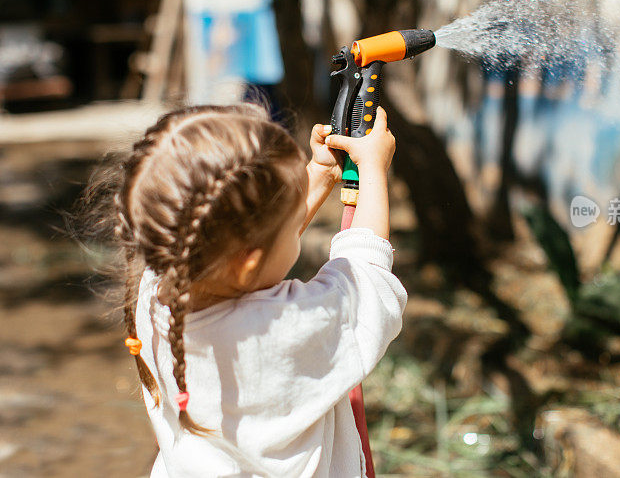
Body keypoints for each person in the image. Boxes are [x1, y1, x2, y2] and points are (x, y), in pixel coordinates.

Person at [108, 103, 405, 477]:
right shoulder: (281, 331)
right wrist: (374, 170)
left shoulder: (158, 288)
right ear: (249, 259)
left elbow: (256, 239)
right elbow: (368, 276)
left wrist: (320, 173)